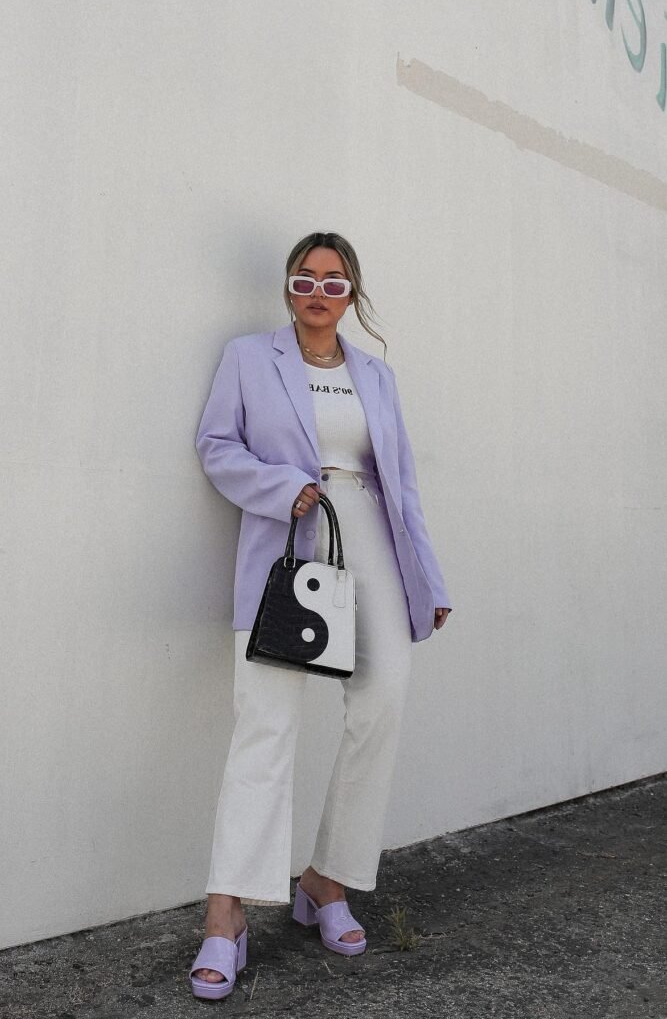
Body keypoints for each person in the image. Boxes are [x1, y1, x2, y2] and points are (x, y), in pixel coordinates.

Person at [189, 232, 451, 1000]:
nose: (318, 290)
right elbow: (214, 445)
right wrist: (279, 488)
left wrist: (425, 577)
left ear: (351, 294)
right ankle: (226, 910)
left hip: (370, 538)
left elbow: (401, 485)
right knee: (265, 721)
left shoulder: (375, 375)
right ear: (287, 288)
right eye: (305, 277)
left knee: (382, 703)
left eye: (334, 282)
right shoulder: (248, 358)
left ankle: (325, 880)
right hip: (287, 541)